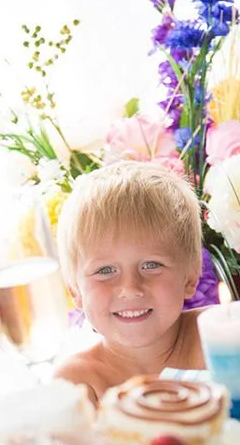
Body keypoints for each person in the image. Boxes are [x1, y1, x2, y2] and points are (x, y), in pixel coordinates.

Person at [53, 161, 208, 404]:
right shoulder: (78, 384)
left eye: (151, 265)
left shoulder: (217, 338)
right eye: (105, 270)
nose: (130, 288)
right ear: (75, 290)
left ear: (190, 276)